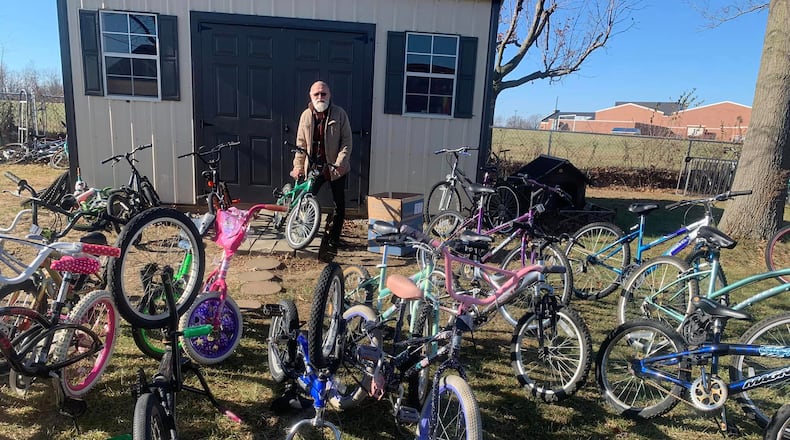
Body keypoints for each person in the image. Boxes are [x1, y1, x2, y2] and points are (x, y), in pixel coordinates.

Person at [290, 81, 352, 252]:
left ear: (329, 95)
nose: (320, 97)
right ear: (310, 96)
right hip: (314, 167)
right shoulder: (305, 116)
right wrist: (298, 166)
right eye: (316, 94)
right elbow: (300, 144)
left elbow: (347, 142)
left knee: (338, 205)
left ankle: (334, 238)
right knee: (304, 200)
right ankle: (301, 232)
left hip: (334, 167)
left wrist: (340, 164)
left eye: (323, 93)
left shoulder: (340, 114)